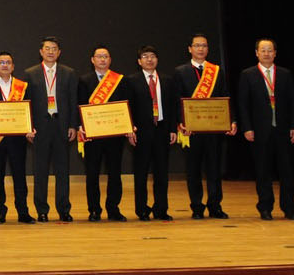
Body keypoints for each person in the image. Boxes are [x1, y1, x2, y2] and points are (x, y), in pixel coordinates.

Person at [236, 39, 294, 219]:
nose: (266, 53)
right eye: (263, 50)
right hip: (259, 130)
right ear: (256, 53)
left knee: (287, 171)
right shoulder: (248, 74)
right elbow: (243, 104)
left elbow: (293, 102)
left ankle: (289, 208)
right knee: (263, 171)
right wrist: (247, 127)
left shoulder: (285, 74)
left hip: (283, 130)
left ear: (275, 53)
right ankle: (265, 207)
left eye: (270, 50)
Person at [174, 33, 234, 219]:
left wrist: (231, 120)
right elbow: (176, 100)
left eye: (204, 46)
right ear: (190, 49)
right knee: (193, 170)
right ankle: (197, 206)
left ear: (208, 49)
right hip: (191, 130)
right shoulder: (180, 71)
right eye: (197, 45)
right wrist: (181, 122)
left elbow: (225, 96)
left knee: (214, 169)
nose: (201, 49)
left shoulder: (216, 71)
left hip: (213, 128)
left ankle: (215, 205)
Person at [24, 36, 78, 222]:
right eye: (47, 48)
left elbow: (73, 101)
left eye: (54, 48)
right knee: (40, 170)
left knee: (62, 171)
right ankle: (42, 210)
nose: (50, 51)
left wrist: (73, 125)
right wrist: (28, 127)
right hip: (40, 127)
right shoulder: (30, 73)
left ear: (59, 52)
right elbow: (26, 103)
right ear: (41, 52)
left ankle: (64, 209)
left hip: (62, 126)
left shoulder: (69, 73)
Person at [0, 51, 36, 224]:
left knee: (20, 176)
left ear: (13, 66)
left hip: (17, 139)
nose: (5, 65)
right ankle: (0, 212)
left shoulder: (22, 86)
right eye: (1, 62)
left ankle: (23, 212)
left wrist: (30, 128)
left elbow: (29, 109)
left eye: (8, 62)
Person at [78, 46, 130, 222]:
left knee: (115, 173)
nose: (102, 59)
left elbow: (126, 105)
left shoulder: (120, 80)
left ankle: (113, 208)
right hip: (93, 135)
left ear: (110, 59)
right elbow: (80, 105)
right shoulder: (84, 80)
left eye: (105, 56)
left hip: (115, 135)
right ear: (92, 60)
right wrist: (81, 126)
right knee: (92, 173)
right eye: (99, 56)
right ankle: (94, 210)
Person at [127, 45, 177, 221]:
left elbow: (173, 106)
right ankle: (142, 209)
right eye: (145, 56)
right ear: (139, 61)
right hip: (141, 132)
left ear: (157, 60)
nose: (149, 59)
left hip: (162, 130)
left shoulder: (167, 80)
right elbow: (128, 107)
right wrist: (130, 129)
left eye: (153, 56)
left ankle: (161, 209)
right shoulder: (131, 80)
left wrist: (173, 129)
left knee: (162, 173)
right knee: (141, 173)